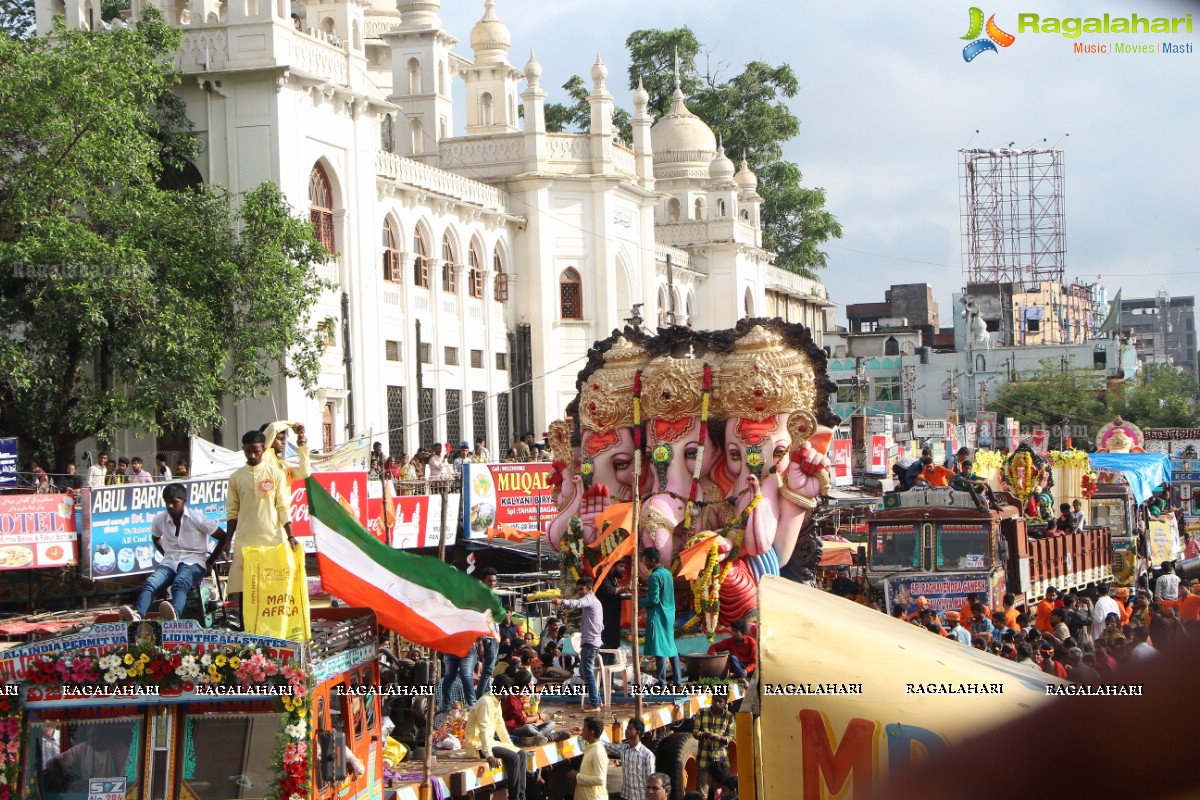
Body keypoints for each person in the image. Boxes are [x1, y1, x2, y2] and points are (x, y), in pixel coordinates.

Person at [120, 483, 230, 622]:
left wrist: (209, 562)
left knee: (180, 583)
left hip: (194, 561)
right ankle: (137, 616)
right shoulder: (159, 519)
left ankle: (174, 617)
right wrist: (166, 554)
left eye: (174, 502)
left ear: (184, 501)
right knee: (150, 583)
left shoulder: (197, 518)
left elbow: (222, 537)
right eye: (167, 502)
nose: (170, 506)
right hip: (170, 561)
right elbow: (155, 538)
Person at [225, 430, 295, 632]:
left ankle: (272, 630)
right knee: (246, 589)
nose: (252, 456)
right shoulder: (236, 477)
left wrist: (290, 535)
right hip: (245, 541)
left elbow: (283, 507)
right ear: (243, 450)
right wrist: (227, 542)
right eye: (248, 452)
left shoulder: (276, 474)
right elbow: (232, 512)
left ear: (264, 449)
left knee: (271, 588)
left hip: (272, 541)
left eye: (256, 451)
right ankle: (247, 631)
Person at [463, 683, 527, 800]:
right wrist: (489, 755)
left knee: (521, 754)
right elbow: (484, 729)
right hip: (477, 745)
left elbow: (500, 726)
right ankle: (514, 797)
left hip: (490, 742)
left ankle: (521, 796)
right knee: (514, 758)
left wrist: (510, 746)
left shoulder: (496, 701)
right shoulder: (486, 702)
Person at [556, 578, 604, 711]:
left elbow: (577, 603)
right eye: (578, 590)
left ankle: (595, 703)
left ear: (589, 589)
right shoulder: (594, 601)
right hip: (590, 641)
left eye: (581, 589)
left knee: (587, 672)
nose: (579, 592)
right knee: (584, 672)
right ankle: (597, 701)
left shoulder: (590, 599)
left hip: (590, 641)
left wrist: (562, 602)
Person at [641, 548, 682, 686]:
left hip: (658, 615)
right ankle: (678, 681)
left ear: (653, 560)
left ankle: (661, 681)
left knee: (659, 648)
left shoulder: (654, 576)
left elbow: (654, 600)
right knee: (671, 647)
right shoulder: (667, 573)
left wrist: (638, 601)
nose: (644, 563)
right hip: (669, 613)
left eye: (646, 560)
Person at [603, 718, 656, 800]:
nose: (626, 730)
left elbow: (651, 780)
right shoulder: (624, 748)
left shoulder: (647, 755)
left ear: (638, 732)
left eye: (630, 728)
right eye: (627, 728)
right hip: (626, 796)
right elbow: (608, 746)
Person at [695, 694, 735, 778]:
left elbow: (730, 737)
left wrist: (719, 738)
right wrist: (703, 734)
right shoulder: (701, 712)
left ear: (725, 703)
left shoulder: (729, 716)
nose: (717, 703)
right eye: (715, 700)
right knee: (702, 788)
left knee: (721, 788)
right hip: (704, 760)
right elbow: (695, 732)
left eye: (720, 701)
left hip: (721, 760)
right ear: (712, 699)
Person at [569, 716, 608, 800]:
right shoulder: (591, 747)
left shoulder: (598, 751)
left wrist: (577, 777)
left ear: (592, 732)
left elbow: (600, 780)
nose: (582, 729)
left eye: (584, 727)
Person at [476, 567, 501, 697]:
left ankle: (485, 695)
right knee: (488, 670)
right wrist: (480, 641)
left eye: (494, 581)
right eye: (489, 580)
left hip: (494, 636)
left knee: (489, 670)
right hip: (487, 638)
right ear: (483, 581)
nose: (492, 583)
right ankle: (480, 697)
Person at [596, 561, 626, 657]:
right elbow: (609, 591)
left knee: (613, 650)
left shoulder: (613, 579)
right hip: (605, 622)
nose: (623, 569)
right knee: (606, 652)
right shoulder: (603, 578)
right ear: (612, 566)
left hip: (613, 622)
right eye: (621, 566)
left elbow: (613, 596)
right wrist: (624, 588)